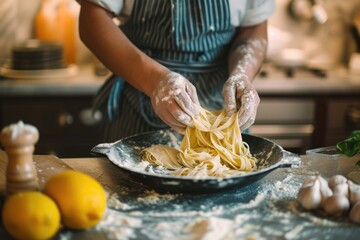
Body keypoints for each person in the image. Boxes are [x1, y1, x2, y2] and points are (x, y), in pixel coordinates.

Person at [78, 0, 275, 142]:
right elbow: (93, 18)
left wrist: (242, 75)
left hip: (223, 102)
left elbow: (253, 27)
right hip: (140, 94)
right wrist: (155, 81)